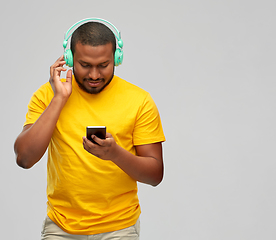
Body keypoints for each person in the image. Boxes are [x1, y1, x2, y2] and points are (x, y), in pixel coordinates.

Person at [14, 18, 166, 239]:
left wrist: (114, 154)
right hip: (61, 227)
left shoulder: (139, 100)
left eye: (103, 65)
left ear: (117, 59)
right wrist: (59, 99)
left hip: (119, 227)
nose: (94, 75)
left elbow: (155, 175)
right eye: (85, 65)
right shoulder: (48, 95)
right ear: (69, 59)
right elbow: (24, 159)